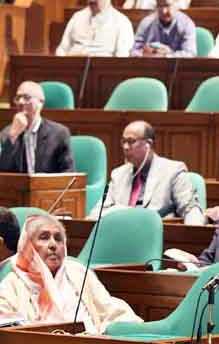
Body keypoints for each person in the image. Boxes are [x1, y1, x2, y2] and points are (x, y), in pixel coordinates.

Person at [0, 214, 142, 333]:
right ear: (28, 245)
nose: (53, 244)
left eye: (58, 238)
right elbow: (6, 324)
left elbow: (111, 308)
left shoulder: (78, 272)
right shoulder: (13, 281)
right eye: (44, 237)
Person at [93, 121, 205, 225]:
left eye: (131, 141)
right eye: (124, 141)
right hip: (122, 234)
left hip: (157, 236)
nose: (126, 147)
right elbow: (98, 211)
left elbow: (190, 208)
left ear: (148, 144)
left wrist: (192, 235)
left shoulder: (173, 171)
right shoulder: (118, 174)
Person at [0, 81, 74, 174]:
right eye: (18, 98)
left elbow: (69, 173)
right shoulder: (7, 134)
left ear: (41, 102)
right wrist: (13, 137)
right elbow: (3, 173)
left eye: (26, 98)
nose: (21, 102)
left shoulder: (59, 134)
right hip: (18, 188)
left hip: (49, 187)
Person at [56, 0, 134, 57]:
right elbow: (62, 48)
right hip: (71, 65)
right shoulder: (77, 17)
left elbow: (122, 57)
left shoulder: (122, 22)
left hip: (102, 67)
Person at [130, 0, 196, 58]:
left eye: (168, 5)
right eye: (160, 6)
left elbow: (190, 54)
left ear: (176, 3)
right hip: (151, 66)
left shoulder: (186, 24)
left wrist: (166, 55)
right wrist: (145, 54)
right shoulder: (146, 23)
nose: (164, 11)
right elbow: (133, 51)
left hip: (178, 68)